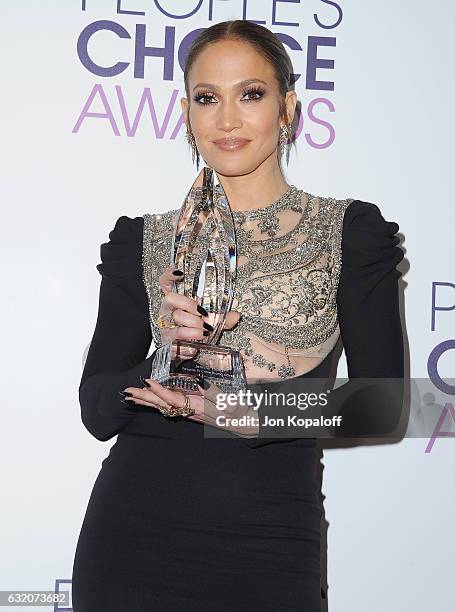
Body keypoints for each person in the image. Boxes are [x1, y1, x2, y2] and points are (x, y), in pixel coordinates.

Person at [71, 20, 405, 611]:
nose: (227, 119)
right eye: (208, 98)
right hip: (131, 541)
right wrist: (164, 361)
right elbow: (96, 408)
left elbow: (384, 406)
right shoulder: (141, 241)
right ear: (187, 113)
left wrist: (232, 407)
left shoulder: (350, 233)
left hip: (270, 545)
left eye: (250, 94)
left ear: (287, 107)